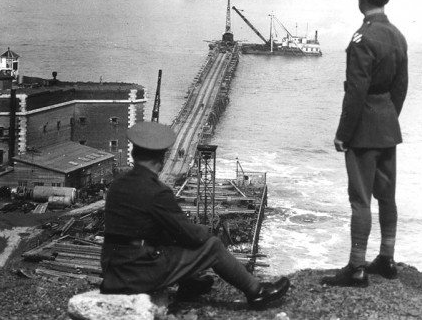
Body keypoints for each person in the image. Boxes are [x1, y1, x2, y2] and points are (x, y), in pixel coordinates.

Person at [100, 121, 290, 309]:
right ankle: (257, 292)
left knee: (168, 237)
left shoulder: (118, 185)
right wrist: (204, 231)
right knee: (213, 247)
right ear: (161, 158)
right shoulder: (157, 191)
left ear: (134, 154)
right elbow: (193, 236)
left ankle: (189, 285)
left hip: (112, 271)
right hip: (136, 275)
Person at [322, 0, 408, 288]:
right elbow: (400, 88)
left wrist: (344, 134)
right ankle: (387, 258)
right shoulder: (397, 35)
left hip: (363, 131)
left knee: (360, 200)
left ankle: (356, 267)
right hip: (387, 127)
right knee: (387, 197)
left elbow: (356, 92)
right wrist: (387, 117)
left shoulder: (362, 39)